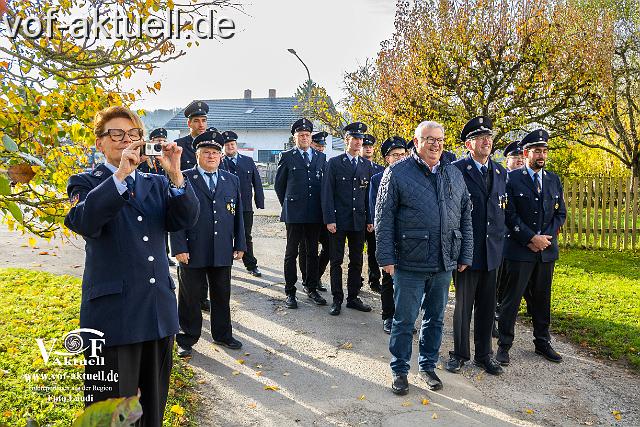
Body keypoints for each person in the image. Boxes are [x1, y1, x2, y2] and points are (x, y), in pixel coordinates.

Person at [64, 106, 200, 424]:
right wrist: (121, 175)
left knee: (151, 411)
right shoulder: (84, 182)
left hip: (157, 314)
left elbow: (185, 219)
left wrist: (176, 174)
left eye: (134, 134)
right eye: (116, 134)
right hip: (112, 320)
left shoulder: (156, 183)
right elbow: (84, 220)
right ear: (100, 143)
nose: (126, 141)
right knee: (111, 414)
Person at [375, 120, 473, 396]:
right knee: (405, 320)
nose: (435, 144)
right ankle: (399, 370)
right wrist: (385, 257)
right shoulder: (397, 172)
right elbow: (383, 219)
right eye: (429, 139)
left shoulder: (453, 174)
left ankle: (428, 366)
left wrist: (465, 252)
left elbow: (466, 214)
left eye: (440, 140)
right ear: (416, 143)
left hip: (443, 261)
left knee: (436, 318)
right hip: (409, 262)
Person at [170, 128, 247, 357]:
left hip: (222, 246)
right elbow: (175, 213)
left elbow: (238, 214)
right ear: (197, 155)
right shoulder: (183, 177)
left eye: (215, 151)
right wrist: (179, 247)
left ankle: (223, 334)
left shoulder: (230, 180)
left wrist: (240, 244)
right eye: (206, 151)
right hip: (192, 248)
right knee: (190, 296)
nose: (211, 155)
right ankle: (186, 338)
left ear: (221, 155)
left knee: (222, 293)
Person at [496, 129, 567, 366]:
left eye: (544, 151)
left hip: (546, 251)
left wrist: (545, 238)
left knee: (542, 299)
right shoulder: (511, 179)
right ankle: (504, 345)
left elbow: (561, 213)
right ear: (526, 153)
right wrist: (530, 238)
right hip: (519, 250)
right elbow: (509, 214)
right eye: (537, 151)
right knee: (511, 300)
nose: (542, 155)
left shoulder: (553, 179)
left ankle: (542, 342)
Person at [447, 116, 507, 376]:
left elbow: (504, 210)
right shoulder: (456, 170)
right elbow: (450, 212)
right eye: (481, 138)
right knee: (463, 307)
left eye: (490, 137)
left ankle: (485, 355)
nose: (487, 142)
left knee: (486, 305)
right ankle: (460, 353)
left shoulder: (500, 171)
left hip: (492, 251)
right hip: (466, 253)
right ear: (469, 144)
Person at [322, 122, 375, 316]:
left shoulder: (366, 165)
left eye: (361, 139)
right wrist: (329, 219)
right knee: (336, 261)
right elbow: (327, 193)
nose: (359, 142)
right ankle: (337, 299)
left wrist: (370, 219)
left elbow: (368, 196)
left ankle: (353, 297)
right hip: (338, 220)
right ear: (347, 140)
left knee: (357, 260)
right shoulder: (334, 163)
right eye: (355, 139)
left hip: (358, 221)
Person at [275, 118, 328, 309]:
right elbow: (279, 185)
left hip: (314, 213)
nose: (305, 137)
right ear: (294, 137)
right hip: (294, 213)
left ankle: (311, 288)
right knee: (291, 253)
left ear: (311, 136)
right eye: (301, 135)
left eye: (307, 135)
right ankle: (290, 292)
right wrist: (288, 205)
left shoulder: (320, 157)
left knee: (312, 253)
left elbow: (323, 186)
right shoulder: (287, 156)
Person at [174, 100, 212, 312]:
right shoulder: (180, 146)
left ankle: (203, 296)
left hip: (209, 206)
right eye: (196, 121)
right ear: (188, 123)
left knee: (207, 253)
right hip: (186, 206)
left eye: (203, 120)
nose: (200, 124)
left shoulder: (213, 144)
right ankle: (190, 301)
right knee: (188, 260)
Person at [368, 136, 407, 333]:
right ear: (386, 158)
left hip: (409, 238)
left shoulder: (414, 177)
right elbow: (377, 210)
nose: (400, 158)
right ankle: (388, 316)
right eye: (395, 155)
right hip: (388, 236)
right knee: (389, 279)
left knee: (407, 282)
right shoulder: (377, 179)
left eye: (402, 154)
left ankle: (403, 318)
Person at [493, 139, 528, 337]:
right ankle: (496, 308)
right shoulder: (502, 178)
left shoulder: (527, 180)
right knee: (499, 278)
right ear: (507, 160)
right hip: (502, 236)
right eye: (516, 158)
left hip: (520, 238)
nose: (520, 162)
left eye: (522, 158)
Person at [220, 130, 265, 277]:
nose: (230, 147)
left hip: (245, 206)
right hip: (225, 207)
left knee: (246, 236)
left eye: (232, 144)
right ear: (223, 147)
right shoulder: (219, 162)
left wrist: (259, 201)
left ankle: (251, 264)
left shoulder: (247, 161)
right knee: (225, 235)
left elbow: (256, 182)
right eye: (227, 145)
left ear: (236, 145)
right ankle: (225, 265)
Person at [137, 127, 176, 267]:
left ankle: (164, 254)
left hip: (162, 197)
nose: (160, 143)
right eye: (158, 140)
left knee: (162, 229)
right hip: (145, 198)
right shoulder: (144, 158)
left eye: (163, 140)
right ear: (151, 141)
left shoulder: (164, 158)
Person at [299, 131, 330, 292]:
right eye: (317, 146)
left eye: (322, 146)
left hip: (323, 213)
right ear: (311, 144)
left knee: (328, 246)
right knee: (305, 248)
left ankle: (315, 276)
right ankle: (307, 280)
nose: (320, 149)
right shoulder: (304, 159)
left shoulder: (324, 161)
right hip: (306, 212)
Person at [361, 133, 385, 294]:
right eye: (365, 146)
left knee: (373, 250)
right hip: (357, 215)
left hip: (374, 216)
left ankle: (374, 279)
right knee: (355, 251)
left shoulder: (380, 169)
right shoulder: (356, 166)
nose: (368, 148)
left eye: (370, 146)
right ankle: (356, 280)